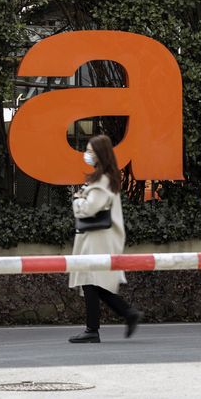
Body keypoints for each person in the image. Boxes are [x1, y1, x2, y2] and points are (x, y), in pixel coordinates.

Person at [68, 134, 142, 343]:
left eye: (91, 151)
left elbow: (89, 208)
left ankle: (93, 329)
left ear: (100, 154)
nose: (87, 155)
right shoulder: (107, 178)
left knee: (91, 281)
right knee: (93, 283)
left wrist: (77, 201)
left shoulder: (102, 179)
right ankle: (126, 314)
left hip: (98, 238)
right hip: (99, 237)